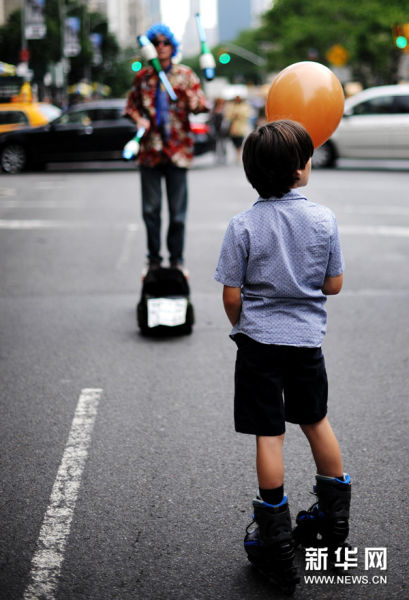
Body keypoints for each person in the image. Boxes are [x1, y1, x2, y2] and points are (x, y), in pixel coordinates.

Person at [214, 120, 351, 593]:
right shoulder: (323, 219)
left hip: (258, 345)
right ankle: (334, 528)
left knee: (269, 436)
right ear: (299, 170)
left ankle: (274, 543)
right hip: (306, 342)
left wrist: (242, 325)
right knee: (316, 421)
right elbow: (332, 285)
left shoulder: (243, 226)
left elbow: (232, 295)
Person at [125, 23, 209, 271]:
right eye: (156, 43)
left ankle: (176, 260)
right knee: (150, 211)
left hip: (178, 151)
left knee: (177, 214)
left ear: (173, 47)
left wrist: (195, 103)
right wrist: (137, 118)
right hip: (150, 151)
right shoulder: (142, 77)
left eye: (165, 43)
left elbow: (201, 104)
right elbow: (130, 106)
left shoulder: (185, 75)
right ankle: (153, 259)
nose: (161, 47)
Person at [225, 95, 252, 163]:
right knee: (234, 141)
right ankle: (236, 152)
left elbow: (247, 114)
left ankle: (238, 154)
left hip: (240, 127)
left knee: (239, 141)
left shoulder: (244, 106)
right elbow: (227, 115)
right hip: (233, 128)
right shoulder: (231, 106)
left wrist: (238, 114)